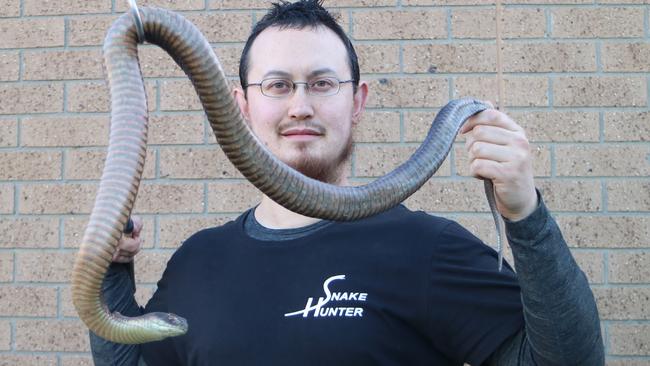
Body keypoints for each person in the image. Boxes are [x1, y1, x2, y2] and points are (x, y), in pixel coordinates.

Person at [90, 1, 604, 365]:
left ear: (357, 102)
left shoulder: (425, 249)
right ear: (241, 106)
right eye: (277, 85)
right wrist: (113, 270)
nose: (300, 105)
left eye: (322, 83)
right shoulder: (198, 260)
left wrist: (525, 215)